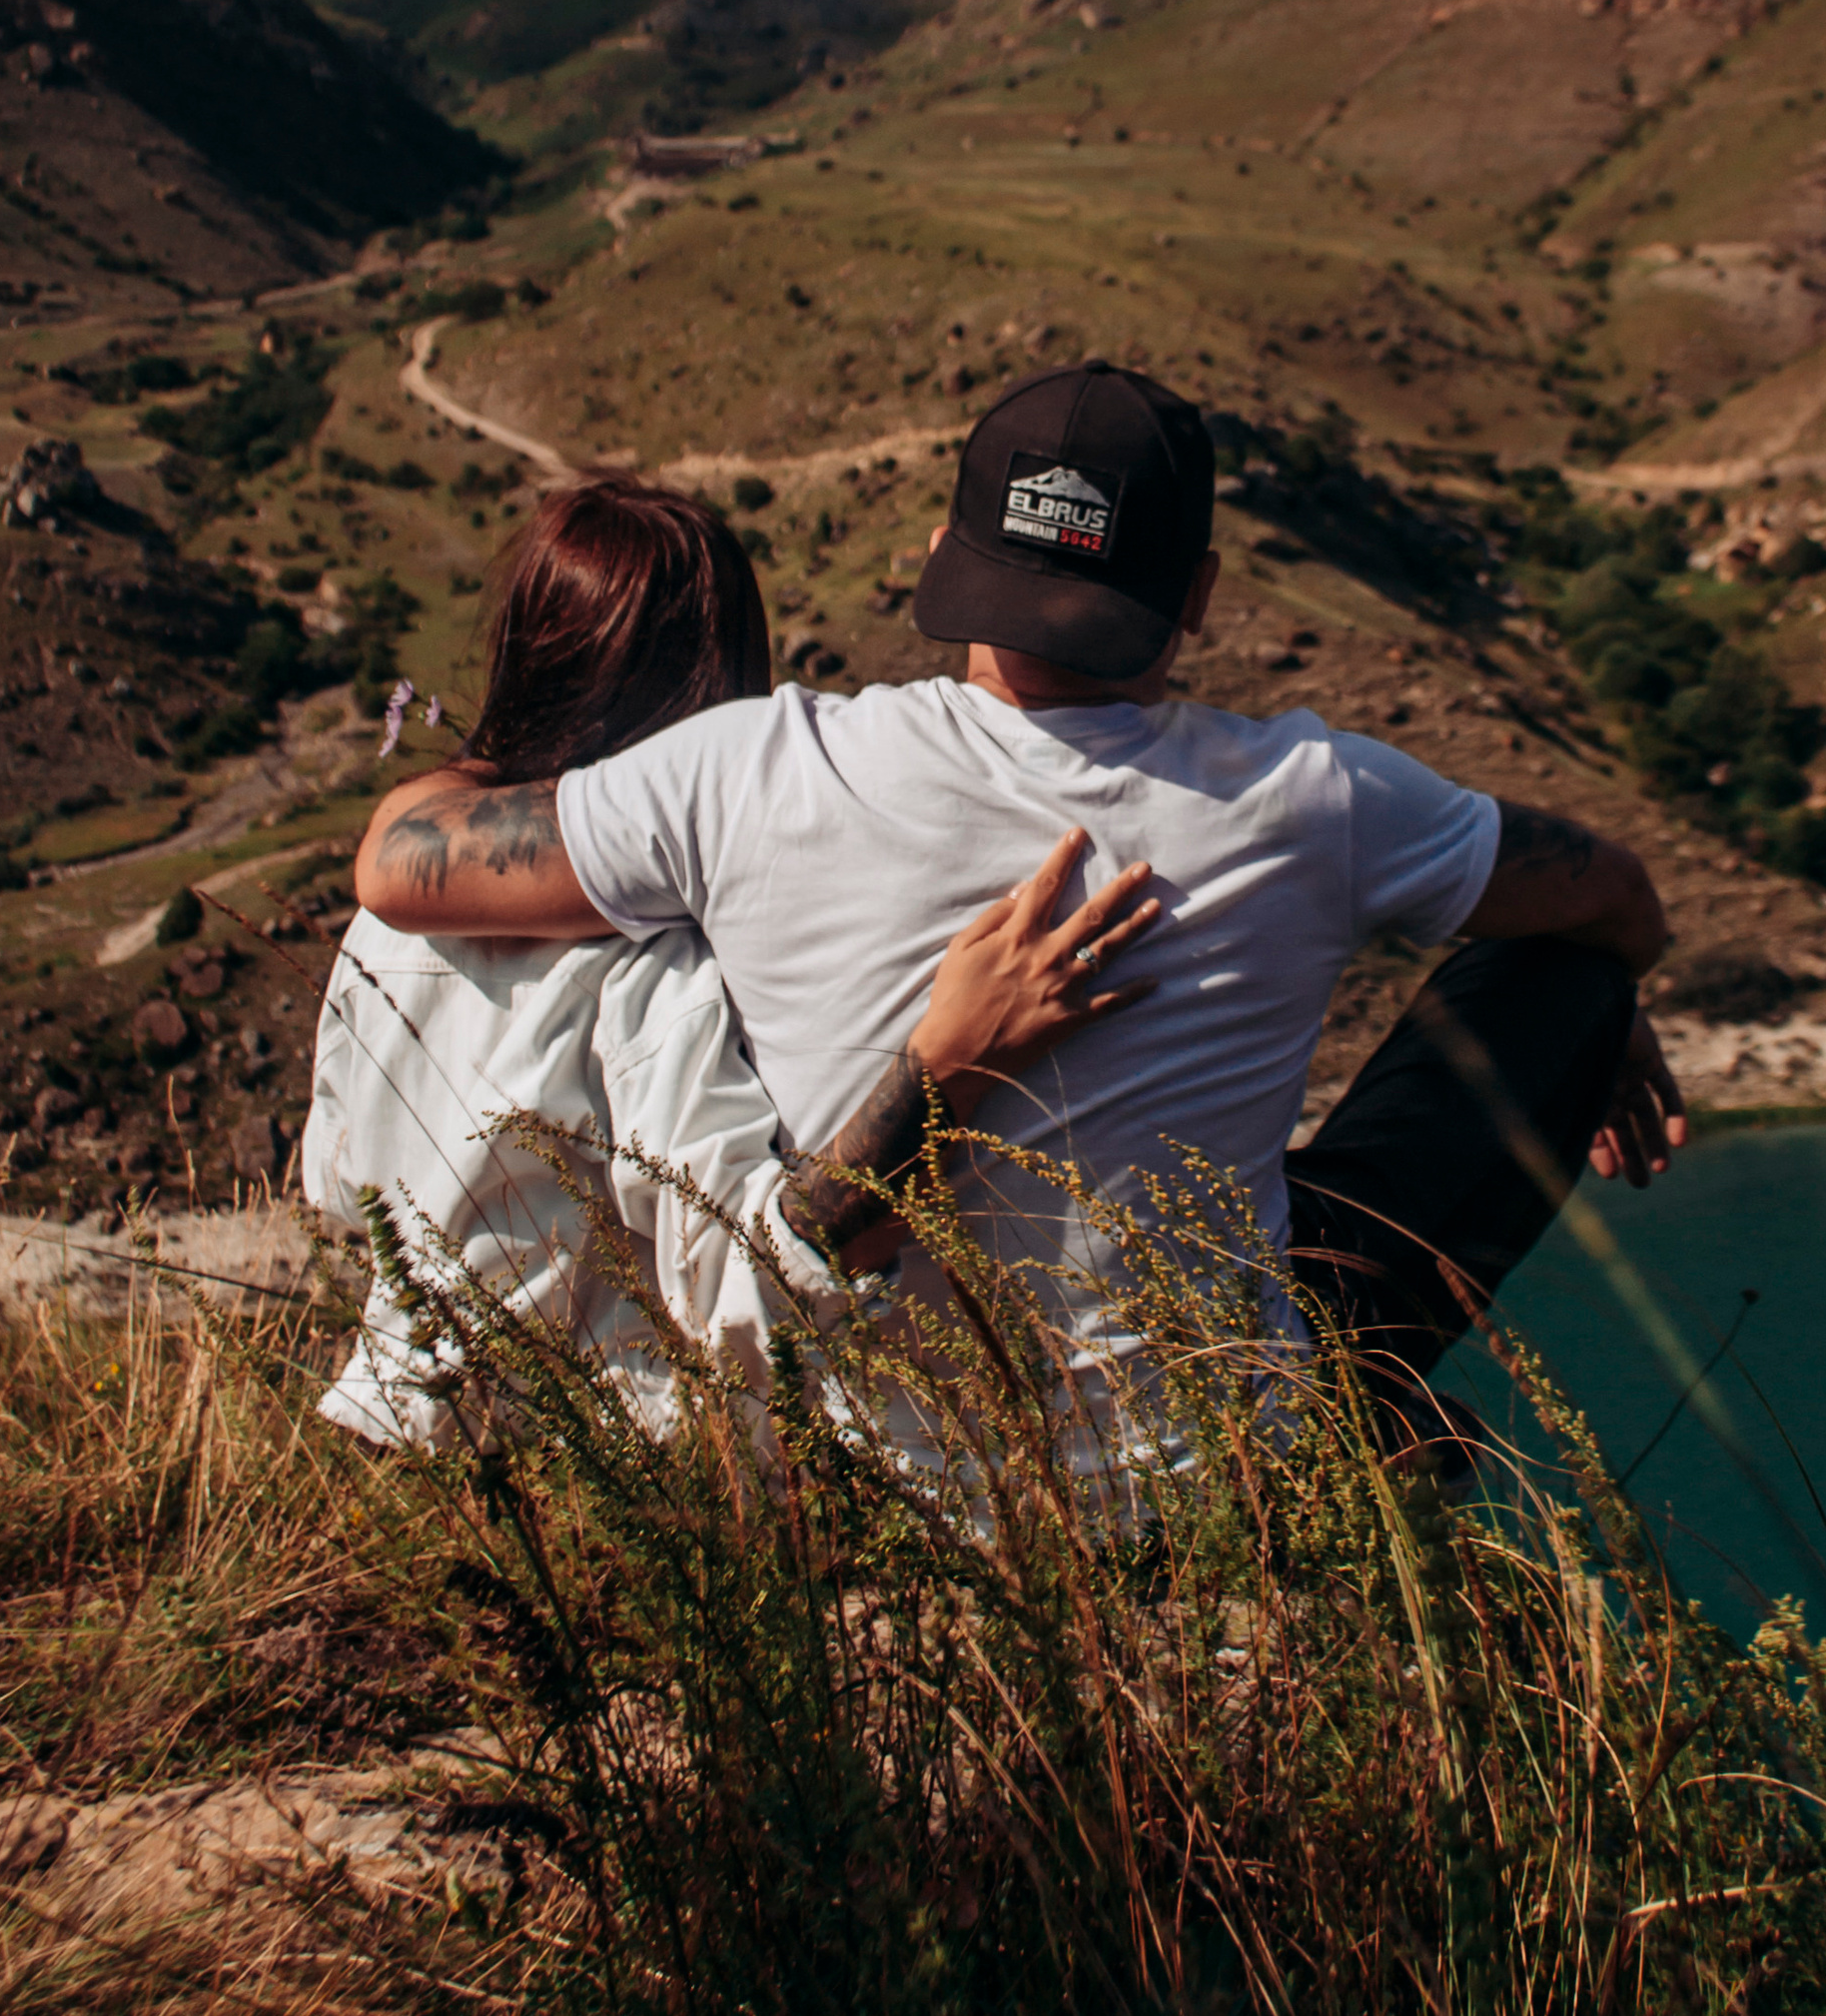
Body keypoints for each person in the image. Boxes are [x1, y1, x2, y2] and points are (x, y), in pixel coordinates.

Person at [352, 368, 1683, 1490]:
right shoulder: (1315, 800)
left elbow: (402, 866)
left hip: (891, 1472)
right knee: (1552, 980)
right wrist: (1604, 1006)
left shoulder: (749, 772)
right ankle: (1357, 1419)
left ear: (940, 558)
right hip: (1205, 1460)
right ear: (1200, 593)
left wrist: (467, 766)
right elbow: (1614, 898)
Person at [308, 472, 1155, 1451]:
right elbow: (752, 1289)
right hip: (589, 1471)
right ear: (721, 683)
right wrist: (946, 1068)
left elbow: (339, 1185)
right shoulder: (661, 970)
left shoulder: (391, 925)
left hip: (388, 1429)